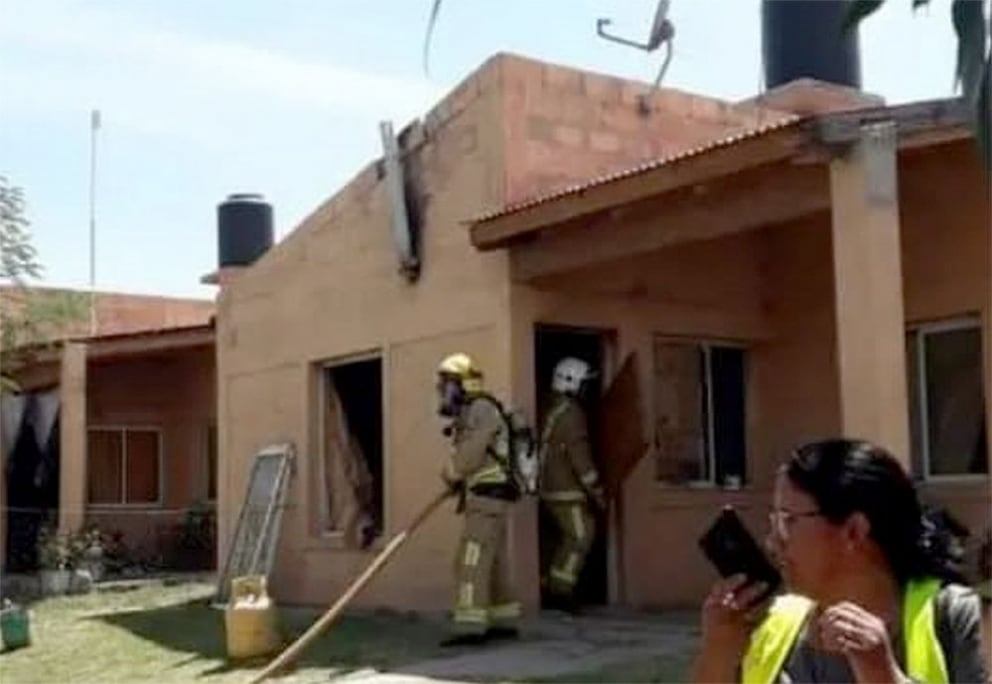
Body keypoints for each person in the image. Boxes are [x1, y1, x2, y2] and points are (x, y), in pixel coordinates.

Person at [692, 438, 988, 683]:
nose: (773, 543)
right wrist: (717, 656)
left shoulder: (955, 616)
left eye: (788, 521)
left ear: (854, 531)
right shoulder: (772, 625)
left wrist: (882, 674)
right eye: (774, 521)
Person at [436, 352, 520, 647]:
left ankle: (469, 627)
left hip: (486, 499)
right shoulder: (478, 409)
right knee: (493, 561)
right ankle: (503, 620)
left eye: (447, 383)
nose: (443, 390)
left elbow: (472, 453)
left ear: (464, 383)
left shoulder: (481, 409)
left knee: (470, 561)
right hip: (488, 498)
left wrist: (451, 473)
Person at [538, 357, 605, 613]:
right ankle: (560, 591)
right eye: (584, 384)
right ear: (571, 383)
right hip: (566, 490)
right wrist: (597, 490)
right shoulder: (572, 414)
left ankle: (553, 584)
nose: (587, 390)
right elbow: (580, 459)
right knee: (581, 536)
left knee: (567, 538)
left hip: (550, 487)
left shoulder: (553, 407)